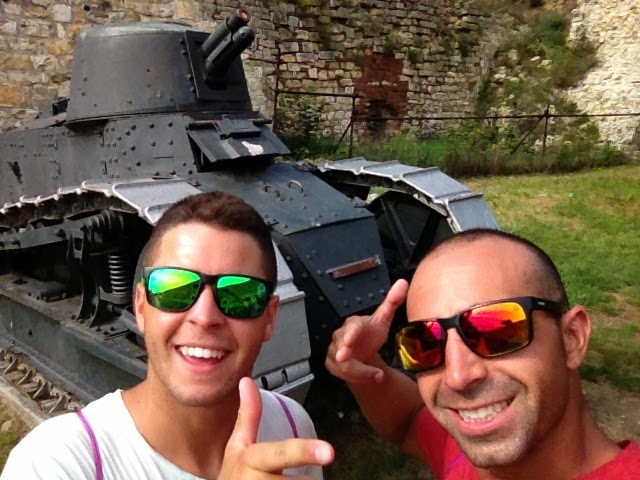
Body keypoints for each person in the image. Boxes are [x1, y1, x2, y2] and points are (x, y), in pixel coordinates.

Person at [2, 191, 333, 479]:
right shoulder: (56, 464)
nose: (204, 317)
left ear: (270, 318)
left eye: (240, 294)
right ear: (141, 306)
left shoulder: (292, 427)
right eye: (174, 287)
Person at [326, 228, 640, 479]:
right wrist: (361, 363)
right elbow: (407, 423)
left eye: (496, 331)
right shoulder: (459, 453)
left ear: (572, 338)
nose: (458, 376)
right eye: (425, 342)